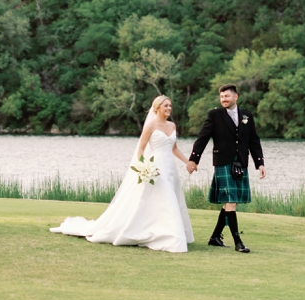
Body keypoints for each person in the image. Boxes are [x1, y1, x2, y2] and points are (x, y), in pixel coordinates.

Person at [50, 95, 196, 253]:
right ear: (157, 108)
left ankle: (166, 233)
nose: (169, 108)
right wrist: (143, 166)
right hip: (156, 167)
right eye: (166, 106)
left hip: (170, 169)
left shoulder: (172, 125)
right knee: (165, 198)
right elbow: (141, 148)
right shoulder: (151, 125)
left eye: (170, 106)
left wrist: (187, 162)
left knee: (171, 198)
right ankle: (171, 238)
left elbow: (174, 149)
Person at [187, 83, 264, 253]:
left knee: (230, 202)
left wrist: (260, 163)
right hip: (223, 162)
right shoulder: (214, 115)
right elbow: (203, 137)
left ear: (236, 97)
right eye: (222, 97)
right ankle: (238, 242)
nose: (224, 99)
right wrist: (194, 159)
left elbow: (253, 141)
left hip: (240, 163)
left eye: (227, 96)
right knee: (231, 201)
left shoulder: (247, 116)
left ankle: (215, 237)